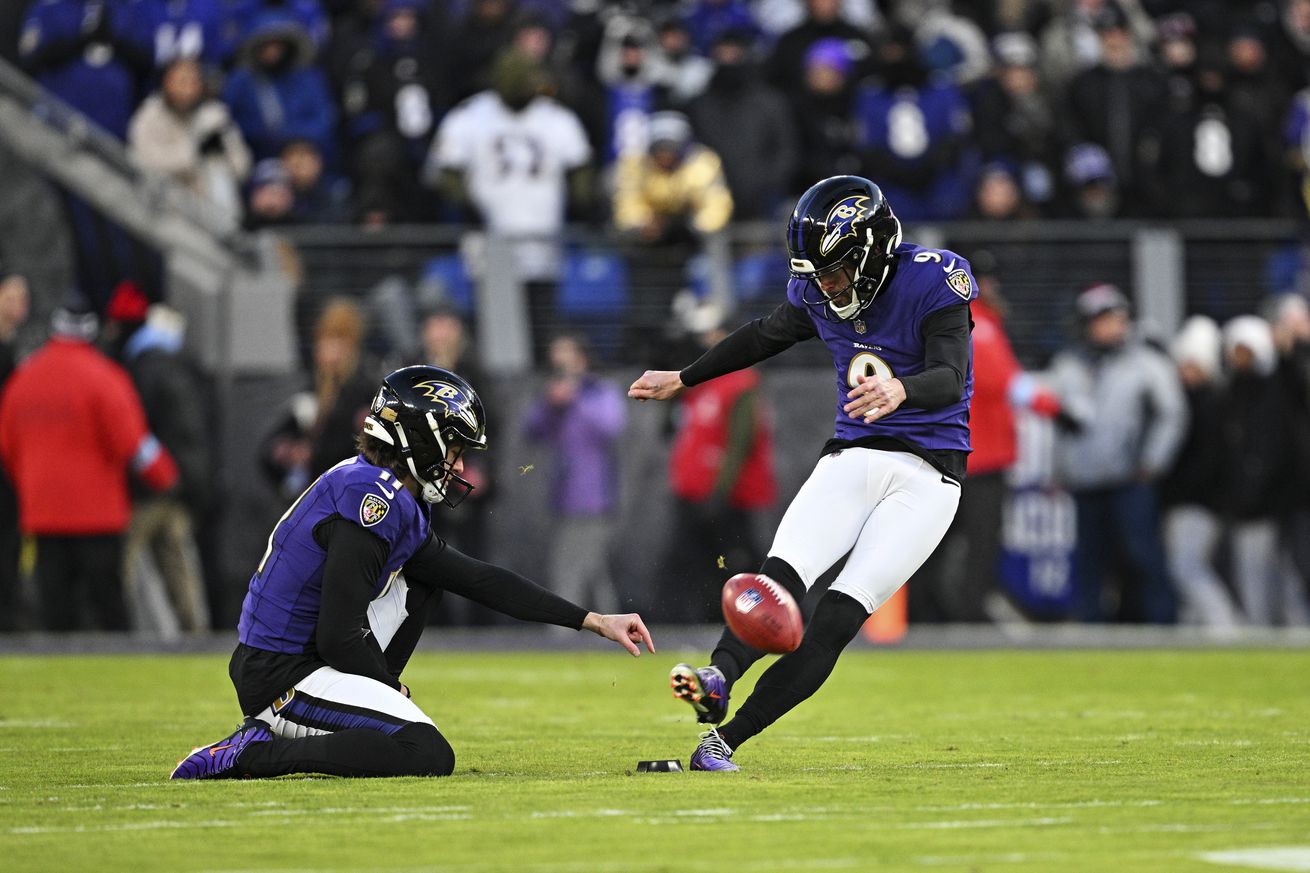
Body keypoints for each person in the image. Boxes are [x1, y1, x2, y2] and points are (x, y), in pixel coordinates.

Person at [629, 175, 974, 771]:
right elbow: (766, 334)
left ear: (869, 252)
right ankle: (718, 674)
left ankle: (723, 742)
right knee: (778, 580)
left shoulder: (932, 277)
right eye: (815, 272)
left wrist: (901, 388)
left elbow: (950, 374)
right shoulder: (817, 289)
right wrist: (685, 377)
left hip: (929, 476)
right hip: (854, 455)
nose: (824, 284)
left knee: (836, 619)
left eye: (834, 270)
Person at [171, 365, 654, 780]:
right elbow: (339, 635)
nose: (459, 464)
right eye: (454, 449)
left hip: (305, 658)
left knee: (427, 578)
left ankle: (345, 714)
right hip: (280, 675)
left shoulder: (386, 492)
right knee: (425, 751)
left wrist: (594, 620)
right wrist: (384, 682)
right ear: (420, 440)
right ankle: (256, 753)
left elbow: (478, 579)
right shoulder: (370, 501)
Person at [0, 305, 178, 631]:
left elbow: (8, 448)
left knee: (56, 611)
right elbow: (135, 444)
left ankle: (56, 675)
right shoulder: (105, 377)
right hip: (98, 517)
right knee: (108, 608)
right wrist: (166, 478)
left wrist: (30, 487)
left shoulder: (23, 380)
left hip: (43, 514)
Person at [1046, 284, 1186, 624]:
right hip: (1085, 480)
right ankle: (1090, 626)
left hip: (1130, 478)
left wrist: (1152, 461)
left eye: (1119, 319)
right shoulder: (1067, 365)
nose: (1115, 327)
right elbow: (1058, 420)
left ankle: (1161, 622)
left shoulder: (1145, 363)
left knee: (1142, 554)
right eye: (1104, 320)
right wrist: (1059, 469)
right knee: (1089, 558)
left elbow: (1172, 414)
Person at [524, 334, 627, 612]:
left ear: (581, 359)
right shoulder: (552, 394)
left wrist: (576, 399)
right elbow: (532, 430)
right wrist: (551, 404)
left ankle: (562, 635)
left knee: (570, 567)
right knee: (593, 572)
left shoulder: (599, 391)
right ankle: (616, 629)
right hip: (563, 494)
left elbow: (611, 426)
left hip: (594, 498)